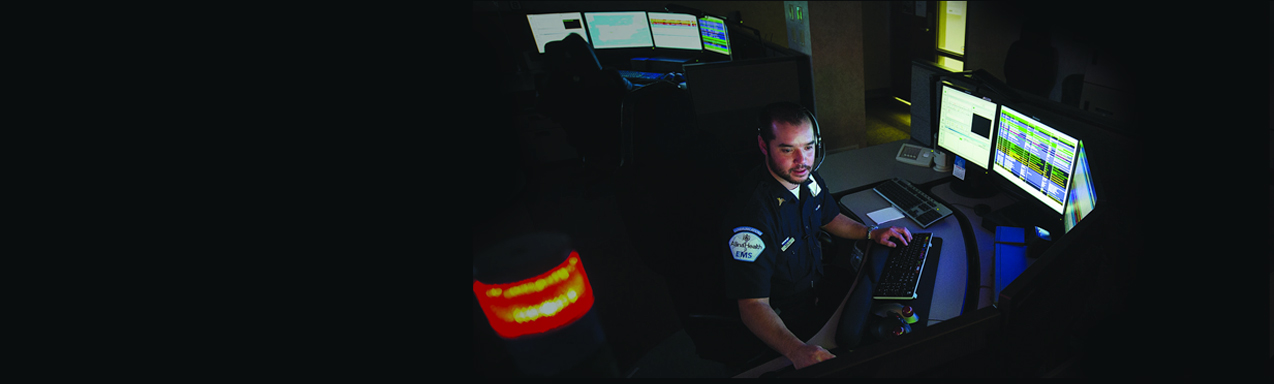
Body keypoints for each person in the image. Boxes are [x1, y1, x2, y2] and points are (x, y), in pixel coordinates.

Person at [722, 102, 912, 370]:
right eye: (788, 150)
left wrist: (870, 233)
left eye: (808, 147)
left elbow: (830, 218)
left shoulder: (807, 180)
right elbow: (752, 305)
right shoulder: (753, 217)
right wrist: (796, 351)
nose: (803, 161)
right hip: (786, 318)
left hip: (817, 287)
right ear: (764, 146)